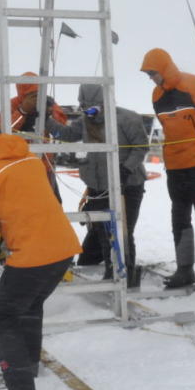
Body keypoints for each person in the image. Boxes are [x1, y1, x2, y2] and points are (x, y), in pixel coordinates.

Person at [0, 127, 82, 390]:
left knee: (1, 318)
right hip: (63, 248)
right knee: (29, 306)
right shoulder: (27, 160)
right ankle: (27, 364)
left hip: (34, 254)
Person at [47, 84, 148, 287]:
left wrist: (126, 168)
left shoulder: (127, 119)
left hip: (127, 185)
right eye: (84, 110)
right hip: (98, 185)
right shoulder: (85, 122)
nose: (89, 114)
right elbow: (67, 135)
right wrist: (45, 119)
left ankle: (125, 272)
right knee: (102, 228)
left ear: (104, 104)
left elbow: (141, 146)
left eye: (92, 110)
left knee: (122, 230)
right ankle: (109, 268)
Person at [140, 48, 195, 290]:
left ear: (164, 68)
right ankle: (185, 270)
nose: (152, 78)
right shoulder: (156, 96)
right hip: (175, 166)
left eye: (153, 73)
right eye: (149, 74)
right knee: (179, 218)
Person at [0, 71, 67, 135]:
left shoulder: (49, 102)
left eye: (37, 93)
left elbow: (61, 131)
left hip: (43, 144)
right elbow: (2, 131)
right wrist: (22, 111)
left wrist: (50, 115)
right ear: (22, 94)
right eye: (30, 94)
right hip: (18, 144)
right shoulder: (12, 104)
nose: (35, 98)